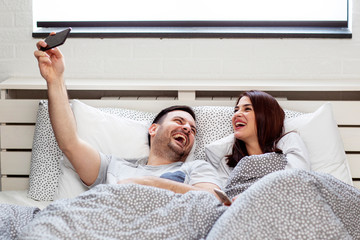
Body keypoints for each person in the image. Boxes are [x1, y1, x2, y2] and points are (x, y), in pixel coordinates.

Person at [33, 35, 222, 197]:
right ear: (153, 129)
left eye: (193, 129)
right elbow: (70, 144)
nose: (188, 128)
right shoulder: (113, 166)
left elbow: (213, 200)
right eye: (179, 121)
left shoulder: (196, 168)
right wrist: (55, 79)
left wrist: (148, 184)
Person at [206, 90, 311, 190]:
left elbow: (297, 180)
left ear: (267, 116)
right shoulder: (227, 163)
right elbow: (224, 198)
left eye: (247, 109)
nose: (236, 114)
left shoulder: (288, 141)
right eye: (236, 110)